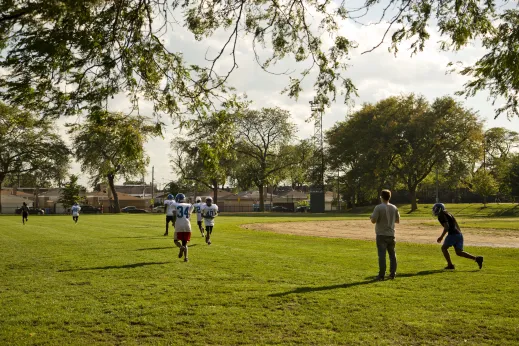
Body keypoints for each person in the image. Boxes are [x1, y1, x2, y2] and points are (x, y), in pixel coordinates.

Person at [432, 203, 484, 270]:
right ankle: (477, 258)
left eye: (435, 209)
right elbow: (456, 223)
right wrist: (459, 233)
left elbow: (446, 227)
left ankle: (450, 265)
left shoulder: (441, 216)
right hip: (458, 234)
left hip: (452, 234)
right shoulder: (448, 213)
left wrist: (441, 236)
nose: (434, 210)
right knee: (459, 252)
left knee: (444, 248)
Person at [370, 189, 400, 281]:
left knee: (382, 255)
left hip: (381, 234)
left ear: (381, 197)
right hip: (391, 234)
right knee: (392, 254)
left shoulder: (378, 207)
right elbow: (397, 220)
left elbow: (373, 220)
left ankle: (381, 275)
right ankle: (392, 273)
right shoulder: (394, 207)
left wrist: (371, 217)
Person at [172, 193, 193, 262]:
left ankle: (181, 247)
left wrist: (173, 222)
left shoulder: (175, 204)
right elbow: (189, 215)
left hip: (179, 224)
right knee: (185, 242)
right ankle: (186, 258)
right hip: (187, 225)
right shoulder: (189, 205)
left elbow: (174, 215)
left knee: (176, 240)